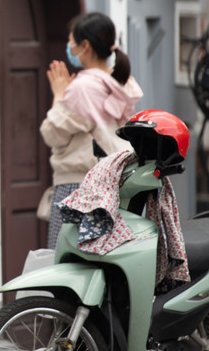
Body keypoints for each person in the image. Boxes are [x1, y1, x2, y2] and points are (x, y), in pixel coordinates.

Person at [39, 12, 143, 249]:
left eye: (71, 42)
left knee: (66, 261)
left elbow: (51, 132)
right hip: (114, 186)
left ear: (84, 46)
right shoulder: (122, 81)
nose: (69, 47)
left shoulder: (83, 88)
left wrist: (58, 94)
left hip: (77, 187)